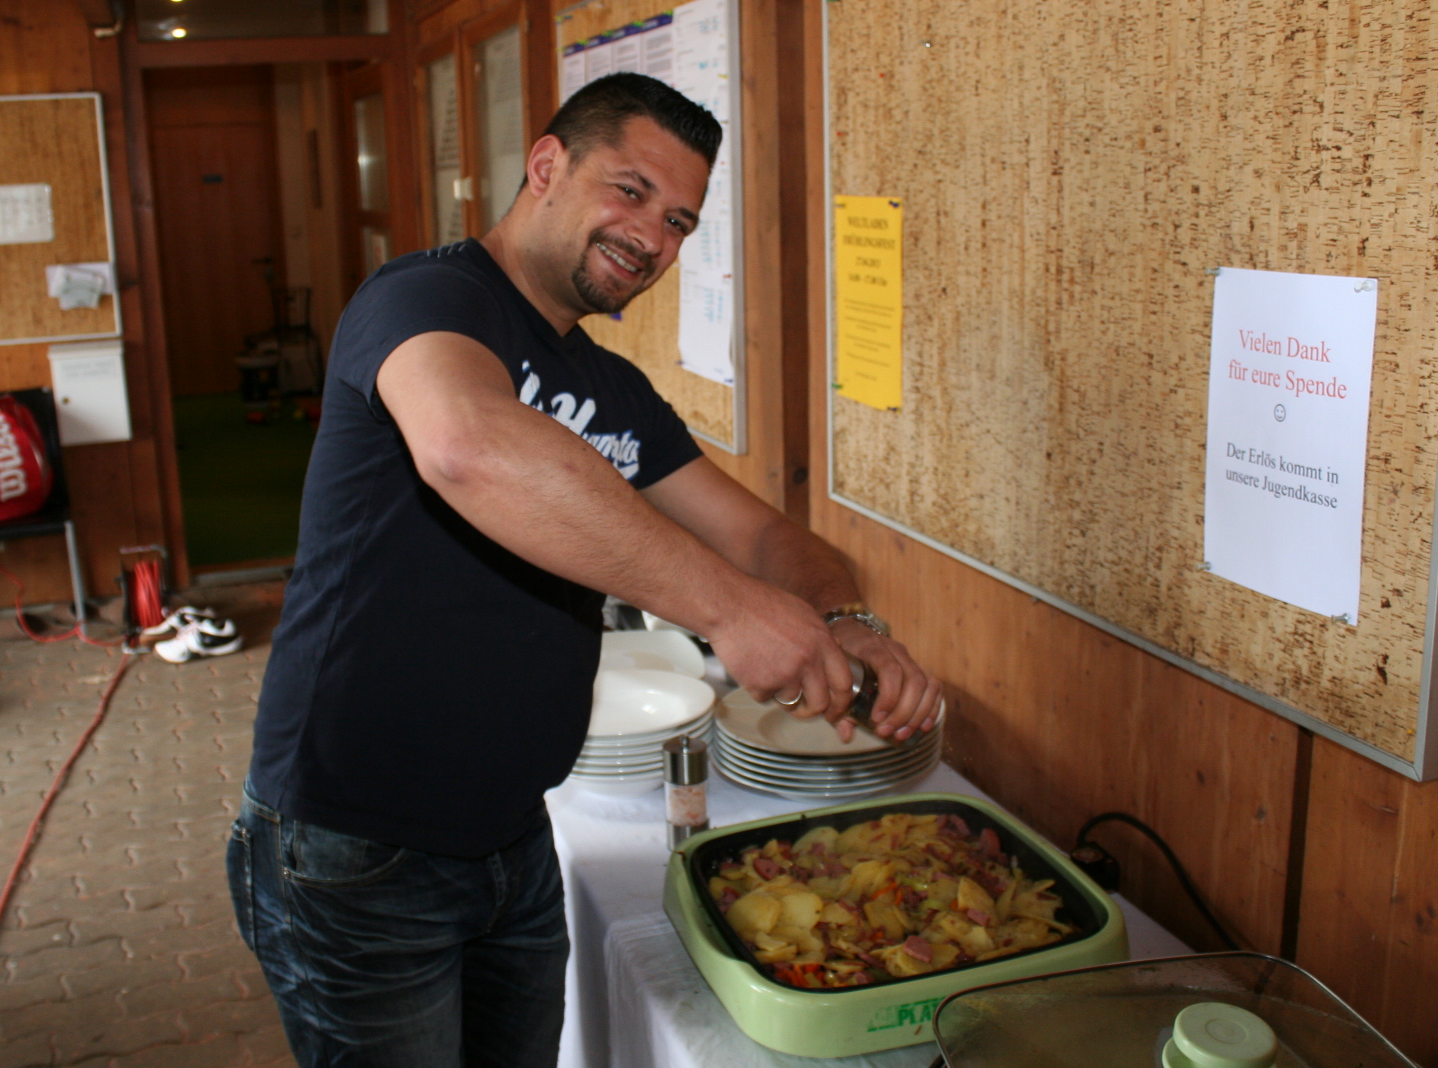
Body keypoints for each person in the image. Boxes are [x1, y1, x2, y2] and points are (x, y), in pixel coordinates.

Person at [232, 73, 941, 1068]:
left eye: (680, 221)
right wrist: (730, 612)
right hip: (356, 841)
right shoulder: (429, 299)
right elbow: (468, 446)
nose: (652, 236)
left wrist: (843, 619)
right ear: (546, 166)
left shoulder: (612, 389)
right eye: (631, 190)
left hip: (514, 835)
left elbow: (767, 540)